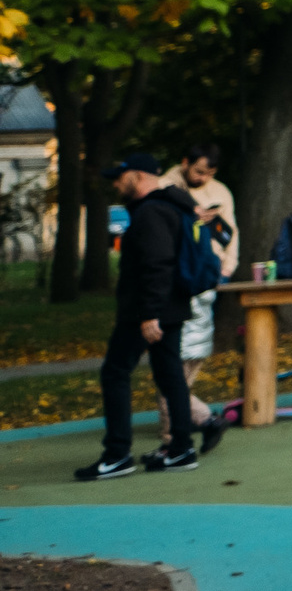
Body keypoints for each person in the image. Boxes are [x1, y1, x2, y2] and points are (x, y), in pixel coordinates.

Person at [75, 154, 204, 479]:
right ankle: (181, 449)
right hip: (170, 307)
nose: (117, 184)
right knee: (170, 375)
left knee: (115, 373)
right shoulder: (169, 206)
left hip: (145, 312)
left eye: (120, 177)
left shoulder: (150, 213)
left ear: (138, 175)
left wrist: (149, 314)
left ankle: (118, 454)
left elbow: (157, 264)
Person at [157, 144, 236, 455]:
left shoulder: (220, 192)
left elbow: (231, 233)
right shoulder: (165, 187)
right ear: (185, 163)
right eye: (199, 171)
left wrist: (226, 269)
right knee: (174, 359)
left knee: (184, 358)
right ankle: (189, 422)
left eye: (210, 173)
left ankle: (180, 429)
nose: (204, 178)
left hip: (206, 279)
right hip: (178, 280)